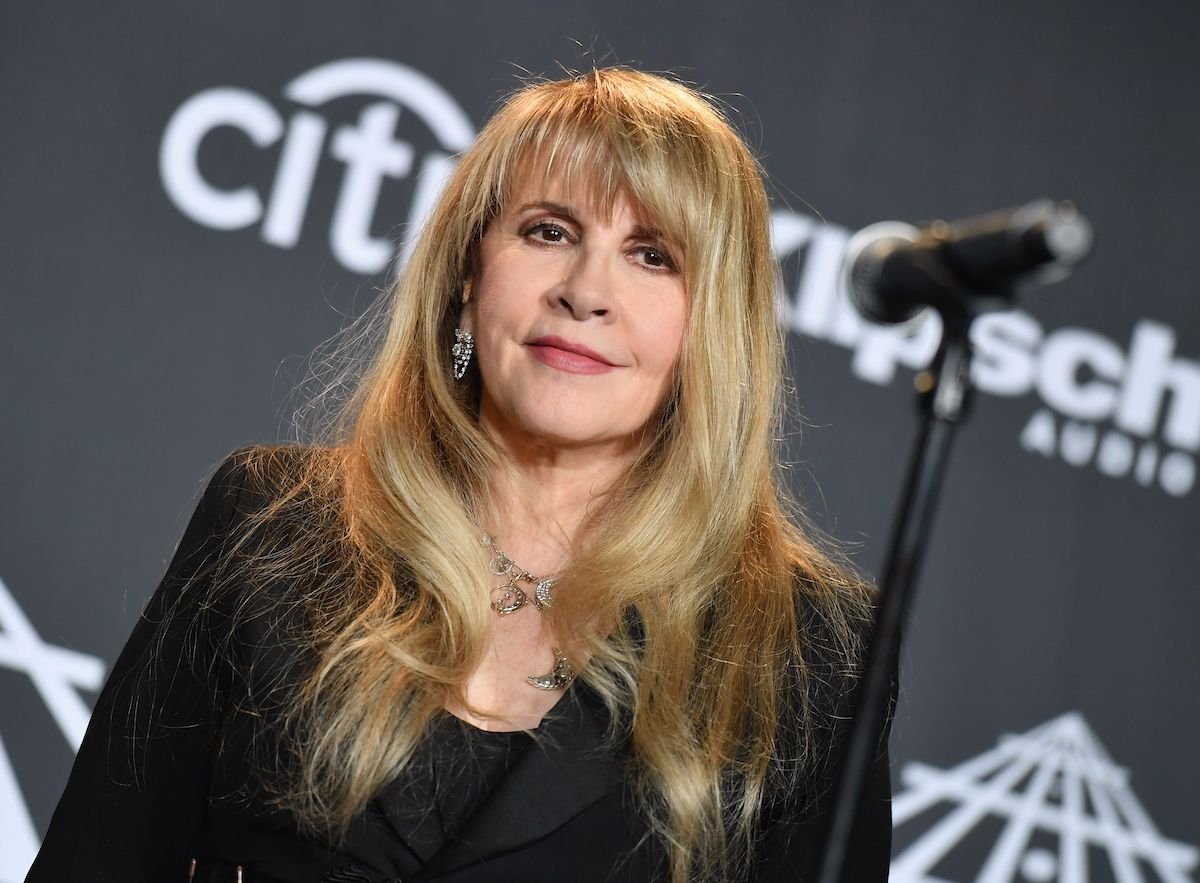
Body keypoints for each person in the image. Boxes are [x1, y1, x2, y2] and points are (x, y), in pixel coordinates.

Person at [27, 68, 895, 883]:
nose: (586, 291)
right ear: (469, 272)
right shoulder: (270, 524)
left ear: (713, 327)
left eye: (653, 254)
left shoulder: (809, 650)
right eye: (549, 231)